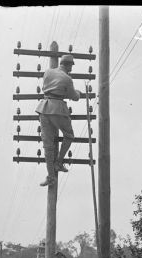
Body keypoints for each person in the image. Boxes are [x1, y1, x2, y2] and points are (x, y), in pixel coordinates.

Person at [35, 54, 82, 187]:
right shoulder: (67, 78)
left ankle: (50, 176)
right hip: (58, 109)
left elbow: (51, 89)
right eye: (71, 67)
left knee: (48, 145)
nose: (71, 70)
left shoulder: (48, 72)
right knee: (69, 135)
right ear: (67, 65)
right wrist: (78, 93)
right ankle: (58, 162)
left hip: (44, 108)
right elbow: (74, 96)